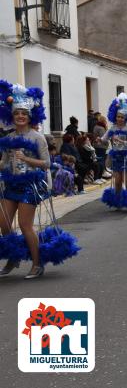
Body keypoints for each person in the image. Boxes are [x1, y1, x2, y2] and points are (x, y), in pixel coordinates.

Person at [0, 80, 79, 279]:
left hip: (30, 186)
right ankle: (14, 255)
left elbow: (46, 163)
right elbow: (4, 162)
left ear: (29, 116)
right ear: (13, 115)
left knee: (26, 226)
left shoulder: (37, 138)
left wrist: (26, 158)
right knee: (4, 223)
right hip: (10, 184)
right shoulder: (8, 138)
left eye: (23, 114)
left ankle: (37, 264)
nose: (20, 116)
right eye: (17, 113)